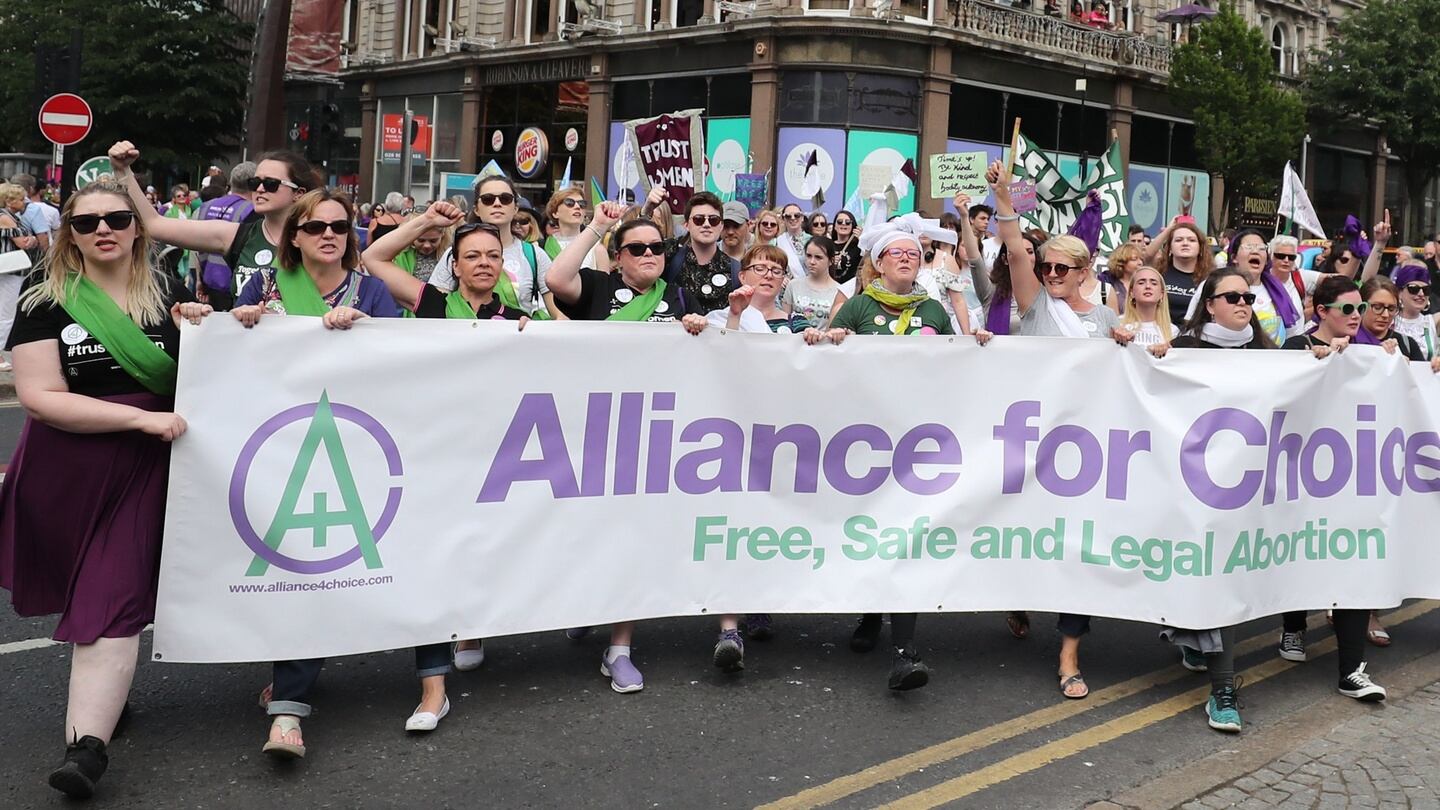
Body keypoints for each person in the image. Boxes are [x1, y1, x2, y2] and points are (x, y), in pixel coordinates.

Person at [0, 181, 211, 798]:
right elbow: (40, 399)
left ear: (137, 225)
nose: (103, 230)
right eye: (87, 222)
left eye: (117, 217)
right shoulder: (45, 299)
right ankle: (105, 705)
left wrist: (207, 327)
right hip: (67, 469)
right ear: (69, 231)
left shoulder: (168, 292)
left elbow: (211, 371)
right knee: (87, 592)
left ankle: (85, 750)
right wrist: (138, 418)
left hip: (144, 466)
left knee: (108, 600)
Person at [232, 189, 401, 758]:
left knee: (317, 569)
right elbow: (230, 355)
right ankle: (290, 691)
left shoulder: (372, 290)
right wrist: (237, 326)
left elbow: (409, 358)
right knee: (299, 570)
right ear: (294, 237)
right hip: (279, 448)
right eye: (317, 226)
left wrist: (370, 329)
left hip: (353, 447)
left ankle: (288, 702)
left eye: (340, 225)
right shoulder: (263, 289)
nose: (330, 234)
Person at [805, 214, 976, 692]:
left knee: (908, 538)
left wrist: (976, 345)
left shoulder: (935, 311)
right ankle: (870, 613)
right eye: (896, 253)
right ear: (877, 263)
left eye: (914, 254)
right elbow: (819, 359)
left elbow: (954, 368)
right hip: (864, 441)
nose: (907, 258)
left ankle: (904, 651)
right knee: (870, 532)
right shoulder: (858, 306)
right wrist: (831, 340)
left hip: (916, 444)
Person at [991, 161, 1120, 698]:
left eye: (1062, 270)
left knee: (1081, 548)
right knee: (1028, 534)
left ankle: (1069, 653)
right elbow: (1016, 248)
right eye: (1046, 269)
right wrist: (1002, 199)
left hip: (1088, 447)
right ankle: (1017, 594)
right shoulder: (1035, 304)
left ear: (1085, 269)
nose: (1050, 276)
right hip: (1034, 440)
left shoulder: (1109, 318)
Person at [545, 202, 685, 693]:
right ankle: (587, 604)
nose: (649, 254)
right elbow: (558, 279)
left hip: (652, 435)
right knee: (586, 533)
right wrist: (597, 228)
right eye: (637, 248)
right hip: (592, 430)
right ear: (618, 257)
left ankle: (619, 649)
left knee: (632, 540)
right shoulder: (600, 288)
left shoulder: (679, 297)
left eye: (657, 247)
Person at [1272, 275, 1393, 703]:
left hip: (1353, 476)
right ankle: (1293, 628)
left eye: (1361, 308)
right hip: (1302, 472)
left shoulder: (1374, 353)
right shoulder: (1293, 348)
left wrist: (1394, 362)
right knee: (1299, 551)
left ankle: (1351, 670)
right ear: (1321, 312)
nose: (1358, 317)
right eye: (1348, 309)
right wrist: (1318, 363)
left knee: (1351, 560)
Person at [106, 141, 319, 306]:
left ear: (299, 193)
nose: (260, 189)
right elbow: (155, 225)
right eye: (255, 182)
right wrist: (122, 171)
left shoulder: (328, 237)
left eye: (271, 183)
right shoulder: (239, 236)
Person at [428, 175, 558, 320]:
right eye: (488, 199)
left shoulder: (535, 255)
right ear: (476, 209)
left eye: (505, 198)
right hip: (464, 337)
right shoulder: (454, 254)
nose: (497, 203)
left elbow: (558, 315)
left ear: (515, 208)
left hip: (516, 338)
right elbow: (436, 308)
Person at [1183, 230, 1305, 347]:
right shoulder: (1212, 284)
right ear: (1234, 257)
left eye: (1261, 248)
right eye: (1249, 247)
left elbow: (1295, 335)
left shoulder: (1282, 291)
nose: (1255, 251)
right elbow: (1192, 324)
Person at [646, 187, 739, 316]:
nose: (706, 224)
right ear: (687, 225)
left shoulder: (735, 270)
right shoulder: (671, 253)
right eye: (698, 219)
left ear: (721, 225)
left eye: (713, 220)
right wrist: (647, 211)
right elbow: (637, 247)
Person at [191, 162, 258, 310]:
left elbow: (197, 247)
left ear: (231, 182)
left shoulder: (206, 207)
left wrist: (198, 279)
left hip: (209, 281)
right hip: (236, 289)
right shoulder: (252, 211)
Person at [1169, 268, 1276, 350]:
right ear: (1210, 305)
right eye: (1232, 297)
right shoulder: (1182, 349)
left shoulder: (1267, 350)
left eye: (1248, 298)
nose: (1242, 302)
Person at [0, 183, 39, 372]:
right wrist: (31, 240)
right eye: (19, 198)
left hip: (9, 270)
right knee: (6, 314)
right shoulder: (6, 218)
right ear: (8, 200)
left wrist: (30, 239)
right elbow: (24, 242)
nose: (24, 201)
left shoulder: (11, 216)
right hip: (9, 271)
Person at [1148, 220, 1212, 327]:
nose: (1185, 243)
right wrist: (1169, 230)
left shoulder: (1210, 278)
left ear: (1200, 248)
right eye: (1178, 240)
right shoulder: (1158, 273)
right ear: (1170, 249)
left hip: (1195, 337)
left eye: (1191, 240)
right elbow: (1146, 256)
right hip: (1162, 334)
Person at [783, 235, 846, 330]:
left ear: (831, 261)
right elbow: (784, 322)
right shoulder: (793, 285)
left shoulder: (840, 292)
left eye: (818, 257)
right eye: (808, 256)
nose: (812, 261)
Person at [541, 186, 609, 271]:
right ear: (555, 213)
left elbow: (604, 283)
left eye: (582, 204)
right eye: (569, 203)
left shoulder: (596, 247)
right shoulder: (543, 246)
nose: (577, 206)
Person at [1359, 276, 1425, 361]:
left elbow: (1422, 373)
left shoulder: (1407, 344)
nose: (1385, 315)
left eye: (1391, 309)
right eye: (1378, 307)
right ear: (1362, 306)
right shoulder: (1347, 341)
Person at [1112, 265, 1176, 351]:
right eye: (1141, 283)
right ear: (1131, 292)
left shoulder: (1173, 331)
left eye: (1154, 283)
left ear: (1162, 294)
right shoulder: (1118, 325)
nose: (1148, 287)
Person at [1390, 264, 1439, 360]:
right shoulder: (1387, 320)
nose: (1421, 294)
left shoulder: (1433, 321)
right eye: (1413, 289)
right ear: (1399, 292)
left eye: (1426, 290)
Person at [390, 213, 451, 284]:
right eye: (421, 240)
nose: (427, 245)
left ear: (442, 235)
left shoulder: (449, 256)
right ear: (411, 237)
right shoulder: (401, 255)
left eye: (433, 241)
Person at [10, 173, 58, 251]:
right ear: (31, 188)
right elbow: (43, 238)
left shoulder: (5, 206)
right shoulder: (32, 209)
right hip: (28, 257)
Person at [776, 203, 811, 275]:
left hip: (809, 283)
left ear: (802, 218)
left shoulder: (812, 240)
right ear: (783, 219)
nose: (793, 218)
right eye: (788, 216)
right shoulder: (776, 242)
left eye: (797, 215)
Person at [829, 210, 862, 284]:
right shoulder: (827, 245)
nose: (843, 224)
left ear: (852, 226)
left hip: (850, 290)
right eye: (840, 221)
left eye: (847, 222)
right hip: (829, 288)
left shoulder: (858, 246)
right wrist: (830, 263)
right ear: (834, 226)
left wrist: (862, 240)